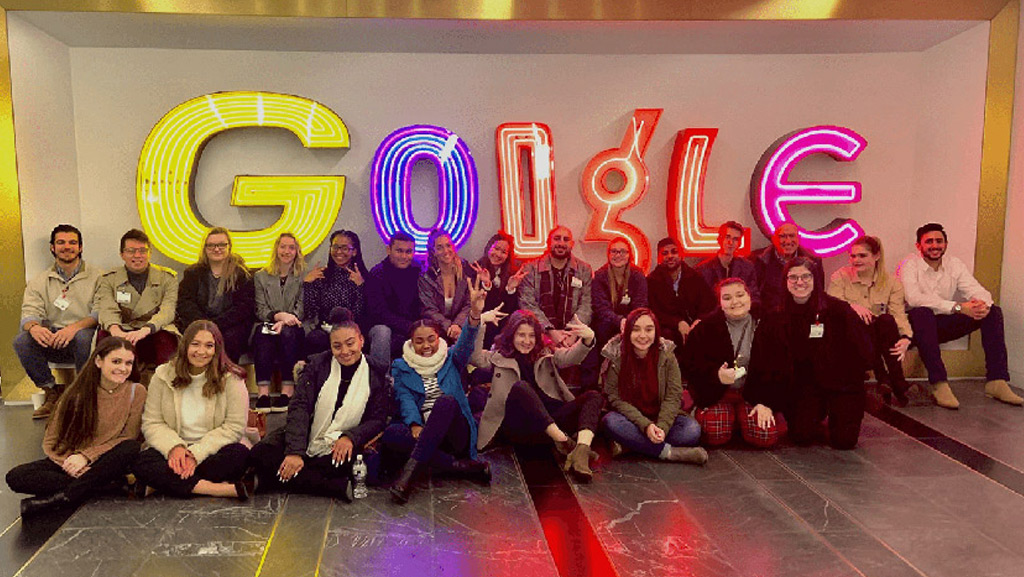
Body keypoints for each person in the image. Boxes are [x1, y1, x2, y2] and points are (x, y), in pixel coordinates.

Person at [249, 309, 388, 501]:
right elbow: (300, 408)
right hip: (307, 433)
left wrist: (350, 437)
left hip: (341, 441)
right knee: (259, 454)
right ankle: (330, 486)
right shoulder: (317, 366)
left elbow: (378, 419)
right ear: (330, 347)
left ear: (361, 341)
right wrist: (295, 452)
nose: (345, 352)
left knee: (346, 464)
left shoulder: (376, 374)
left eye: (350, 344)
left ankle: (269, 481)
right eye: (337, 346)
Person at [384, 279, 498, 504]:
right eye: (419, 341)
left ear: (439, 339)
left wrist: (474, 314)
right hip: (423, 430)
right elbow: (404, 397)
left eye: (431, 339)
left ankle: (407, 478)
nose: (426, 346)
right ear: (411, 343)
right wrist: (415, 423)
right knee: (391, 434)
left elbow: (466, 341)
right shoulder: (401, 366)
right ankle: (462, 468)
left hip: (455, 433)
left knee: (445, 402)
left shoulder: (452, 358)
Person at [7, 337, 145, 517]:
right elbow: (51, 440)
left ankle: (62, 498)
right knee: (16, 476)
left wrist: (86, 457)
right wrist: (73, 464)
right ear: (98, 361)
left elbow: (129, 437)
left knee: (131, 448)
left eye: (128, 363)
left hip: (106, 460)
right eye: (116, 361)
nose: (123, 368)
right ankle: (107, 486)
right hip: (70, 461)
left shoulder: (137, 391)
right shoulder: (76, 392)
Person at [470, 308, 602, 481]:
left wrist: (588, 339)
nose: (527, 341)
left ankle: (581, 451)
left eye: (531, 336)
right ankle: (565, 443)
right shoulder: (498, 357)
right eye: (521, 335)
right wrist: (480, 323)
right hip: (520, 428)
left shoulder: (545, 353)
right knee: (521, 387)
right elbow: (475, 358)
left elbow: (571, 358)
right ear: (511, 335)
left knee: (594, 396)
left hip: (551, 424)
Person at [897, 223, 1018, 409]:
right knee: (923, 313)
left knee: (993, 312)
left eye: (939, 241)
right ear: (918, 245)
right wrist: (959, 307)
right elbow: (913, 299)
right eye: (929, 241)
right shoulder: (909, 264)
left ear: (945, 244)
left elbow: (976, 290)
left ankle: (997, 380)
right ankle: (939, 383)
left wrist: (981, 305)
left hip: (941, 325)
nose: (935, 245)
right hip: (914, 327)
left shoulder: (954, 264)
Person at [134, 320, 250, 500]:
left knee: (239, 455)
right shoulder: (162, 374)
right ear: (185, 345)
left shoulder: (232, 379)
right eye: (195, 344)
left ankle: (162, 485)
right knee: (143, 462)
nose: (201, 352)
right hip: (172, 451)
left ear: (217, 349)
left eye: (209, 345)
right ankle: (216, 489)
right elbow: (152, 422)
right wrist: (175, 448)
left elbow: (234, 427)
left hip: (211, 450)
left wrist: (196, 454)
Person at [767, 258, 873, 450]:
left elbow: (862, 350)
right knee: (801, 436)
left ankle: (838, 418)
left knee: (844, 442)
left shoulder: (839, 310)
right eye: (793, 277)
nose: (800, 282)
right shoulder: (778, 315)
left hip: (843, 385)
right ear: (785, 281)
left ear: (816, 279)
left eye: (806, 276)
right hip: (806, 386)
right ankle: (817, 416)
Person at [14, 224, 102, 419]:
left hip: (85, 337)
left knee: (83, 337)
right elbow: (29, 313)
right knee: (22, 341)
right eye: (61, 242)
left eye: (72, 242)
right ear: (52, 247)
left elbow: (100, 313)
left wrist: (73, 328)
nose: (67, 247)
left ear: (80, 247)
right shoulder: (39, 281)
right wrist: (34, 327)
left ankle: (82, 394)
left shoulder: (99, 277)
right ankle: (51, 391)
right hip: (52, 337)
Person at [684, 278, 785, 448]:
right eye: (727, 298)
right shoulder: (704, 329)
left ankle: (739, 419)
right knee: (715, 436)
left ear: (749, 297)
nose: (735, 302)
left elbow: (781, 368)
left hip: (754, 393)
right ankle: (732, 418)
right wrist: (715, 375)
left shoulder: (769, 325)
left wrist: (767, 403)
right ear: (720, 303)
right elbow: (691, 367)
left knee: (765, 437)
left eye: (740, 295)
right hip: (719, 393)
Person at [600, 308, 707, 463]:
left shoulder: (667, 355)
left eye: (649, 329)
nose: (643, 335)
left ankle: (630, 445)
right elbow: (614, 398)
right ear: (628, 332)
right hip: (631, 419)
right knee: (610, 422)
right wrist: (645, 425)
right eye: (636, 330)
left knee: (692, 430)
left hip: (660, 417)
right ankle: (669, 453)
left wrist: (661, 427)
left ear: (656, 331)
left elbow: (674, 395)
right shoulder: (616, 355)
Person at [828, 236, 913, 406]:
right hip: (850, 335)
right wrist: (852, 306)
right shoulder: (840, 277)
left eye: (862, 256)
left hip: (880, 334)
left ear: (876, 256)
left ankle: (887, 378)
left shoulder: (892, 282)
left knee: (887, 320)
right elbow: (832, 307)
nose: (856, 260)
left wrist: (906, 337)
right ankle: (895, 381)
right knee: (860, 324)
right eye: (853, 256)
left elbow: (898, 314)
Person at [96, 229, 179, 379]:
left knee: (167, 341)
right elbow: (107, 309)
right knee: (105, 338)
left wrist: (147, 329)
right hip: (123, 328)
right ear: (122, 254)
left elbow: (168, 310)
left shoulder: (167, 278)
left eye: (142, 251)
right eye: (131, 251)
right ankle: (111, 389)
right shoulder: (108, 279)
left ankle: (166, 388)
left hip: (154, 329)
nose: (137, 256)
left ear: (149, 253)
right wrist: (116, 331)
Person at [174, 228, 254, 363]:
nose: (217, 249)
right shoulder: (193, 273)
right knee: (196, 338)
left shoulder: (241, 274)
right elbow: (185, 303)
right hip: (199, 322)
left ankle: (225, 380)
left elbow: (244, 307)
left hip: (231, 326)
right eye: (211, 245)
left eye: (222, 245)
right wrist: (204, 324)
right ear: (205, 248)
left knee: (230, 339)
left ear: (229, 247)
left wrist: (216, 325)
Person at [252, 233, 306, 412]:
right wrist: (279, 316)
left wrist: (286, 320)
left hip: (293, 325)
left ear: (297, 251)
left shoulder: (302, 277)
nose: (287, 251)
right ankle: (263, 393)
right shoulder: (261, 276)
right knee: (262, 334)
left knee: (288, 333)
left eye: (291, 247)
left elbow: (301, 308)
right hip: (269, 321)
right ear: (276, 248)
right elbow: (260, 309)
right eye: (283, 246)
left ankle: (287, 390)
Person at [518, 226, 593, 349]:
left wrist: (572, 333)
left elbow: (586, 305)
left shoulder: (584, 270)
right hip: (538, 336)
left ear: (572, 244)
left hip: (573, 337)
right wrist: (550, 332)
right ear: (549, 242)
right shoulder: (530, 269)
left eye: (566, 239)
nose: (561, 243)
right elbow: (528, 304)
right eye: (557, 239)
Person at [646, 237, 715, 361]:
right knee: (666, 336)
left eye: (674, 251)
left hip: (694, 325)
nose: (670, 256)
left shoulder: (695, 277)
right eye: (665, 253)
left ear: (682, 254)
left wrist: (698, 321)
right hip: (668, 329)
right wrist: (677, 323)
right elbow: (653, 311)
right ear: (659, 258)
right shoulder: (652, 281)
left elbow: (709, 306)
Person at [303, 230, 367, 355]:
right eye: (335, 247)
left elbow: (361, 314)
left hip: (353, 330)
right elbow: (310, 311)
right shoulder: (322, 275)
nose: (338, 252)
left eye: (344, 248)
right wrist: (308, 284)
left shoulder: (362, 277)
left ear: (354, 251)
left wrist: (360, 287)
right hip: (325, 330)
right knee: (315, 338)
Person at [365, 231, 422, 371]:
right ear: (388, 250)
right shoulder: (377, 274)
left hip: (411, 326)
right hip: (382, 327)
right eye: (399, 251)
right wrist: (409, 326)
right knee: (382, 332)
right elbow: (378, 313)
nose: (404, 256)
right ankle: (381, 381)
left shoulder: (418, 270)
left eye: (408, 252)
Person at [748, 223, 823, 314]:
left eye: (792, 236)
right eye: (782, 236)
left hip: (803, 315)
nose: (788, 241)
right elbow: (753, 294)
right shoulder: (758, 260)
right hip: (770, 317)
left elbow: (818, 295)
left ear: (798, 238)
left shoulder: (814, 261)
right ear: (774, 239)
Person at [469, 231, 524, 350]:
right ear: (489, 248)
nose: (498, 254)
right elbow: (481, 307)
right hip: (481, 328)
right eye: (496, 249)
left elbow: (508, 310)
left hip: (504, 329)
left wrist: (510, 290)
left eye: (504, 252)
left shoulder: (513, 274)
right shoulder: (475, 269)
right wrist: (486, 284)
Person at [418, 229, 475, 343]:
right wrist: (449, 327)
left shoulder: (465, 269)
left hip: (461, 326)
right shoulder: (426, 276)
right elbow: (429, 310)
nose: (446, 251)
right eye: (439, 248)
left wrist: (457, 325)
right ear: (433, 251)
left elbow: (469, 303)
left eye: (448, 245)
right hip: (436, 328)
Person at [695, 221, 760, 310]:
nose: (730, 242)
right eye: (727, 237)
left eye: (735, 239)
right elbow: (700, 301)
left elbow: (753, 296)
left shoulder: (747, 267)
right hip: (713, 317)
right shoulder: (703, 269)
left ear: (739, 244)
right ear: (720, 239)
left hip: (740, 314)